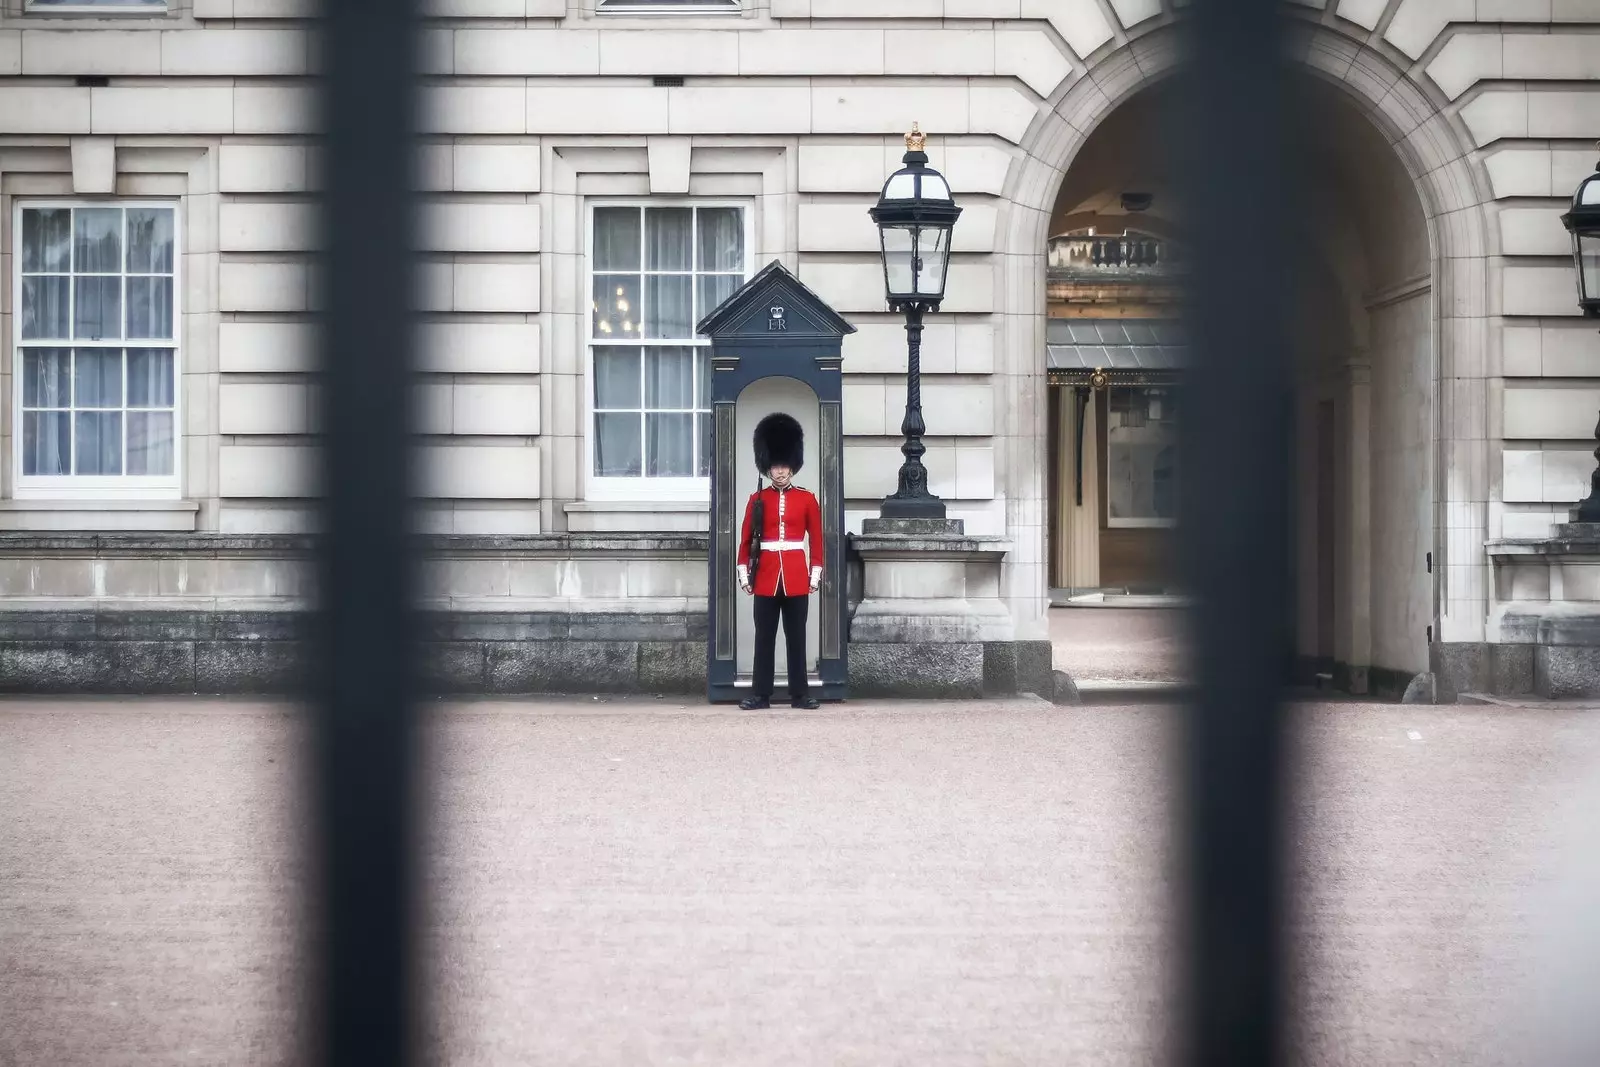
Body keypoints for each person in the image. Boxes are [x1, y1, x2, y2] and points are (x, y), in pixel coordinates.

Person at [737, 413, 823, 711]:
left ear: (793, 465)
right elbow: (746, 540)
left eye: (784, 465)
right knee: (765, 638)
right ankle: (761, 695)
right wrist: (745, 574)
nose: (780, 471)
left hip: (797, 575)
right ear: (767, 466)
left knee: (797, 637)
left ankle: (800, 695)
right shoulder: (756, 499)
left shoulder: (807, 499)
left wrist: (815, 574)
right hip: (766, 575)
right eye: (775, 465)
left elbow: (817, 540)